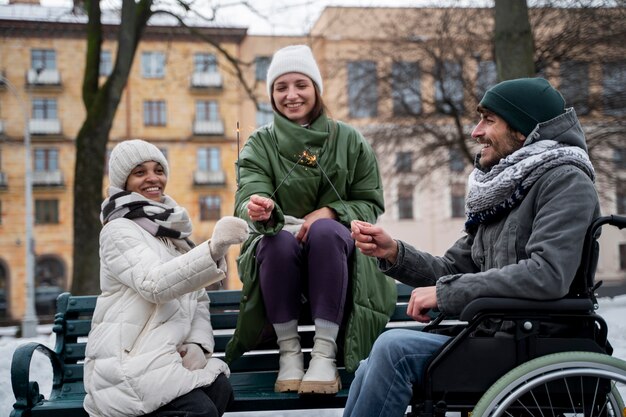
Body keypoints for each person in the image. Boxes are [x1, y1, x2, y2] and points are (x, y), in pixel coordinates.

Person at [343, 77, 600, 417]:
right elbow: (452, 270)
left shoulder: (565, 181)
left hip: (534, 341)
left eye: (489, 120)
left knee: (395, 349)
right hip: (495, 334)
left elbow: (547, 274)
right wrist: (392, 251)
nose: (476, 132)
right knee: (371, 362)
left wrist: (446, 293)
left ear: (523, 130)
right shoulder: (506, 187)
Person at [225, 44, 397, 395]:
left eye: (300, 84)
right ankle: (289, 353)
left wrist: (331, 211)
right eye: (281, 87)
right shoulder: (259, 144)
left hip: (339, 256)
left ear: (315, 88)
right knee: (277, 241)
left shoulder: (349, 140)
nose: (291, 95)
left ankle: (324, 353)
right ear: (272, 95)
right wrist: (258, 209)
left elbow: (370, 202)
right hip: (276, 254)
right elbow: (247, 197)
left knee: (324, 231)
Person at [83, 139, 249, 417]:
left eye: (158, 170)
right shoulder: (118, 230)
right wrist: (214, 248)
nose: (152, 178)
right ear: (124, 181)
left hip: (165, 357)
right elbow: (155, 284)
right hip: (128, 361)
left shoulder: (171, 234)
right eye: (140, 172)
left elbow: (198, 299)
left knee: (221, 390)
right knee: (199, 411)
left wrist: (197, 344)